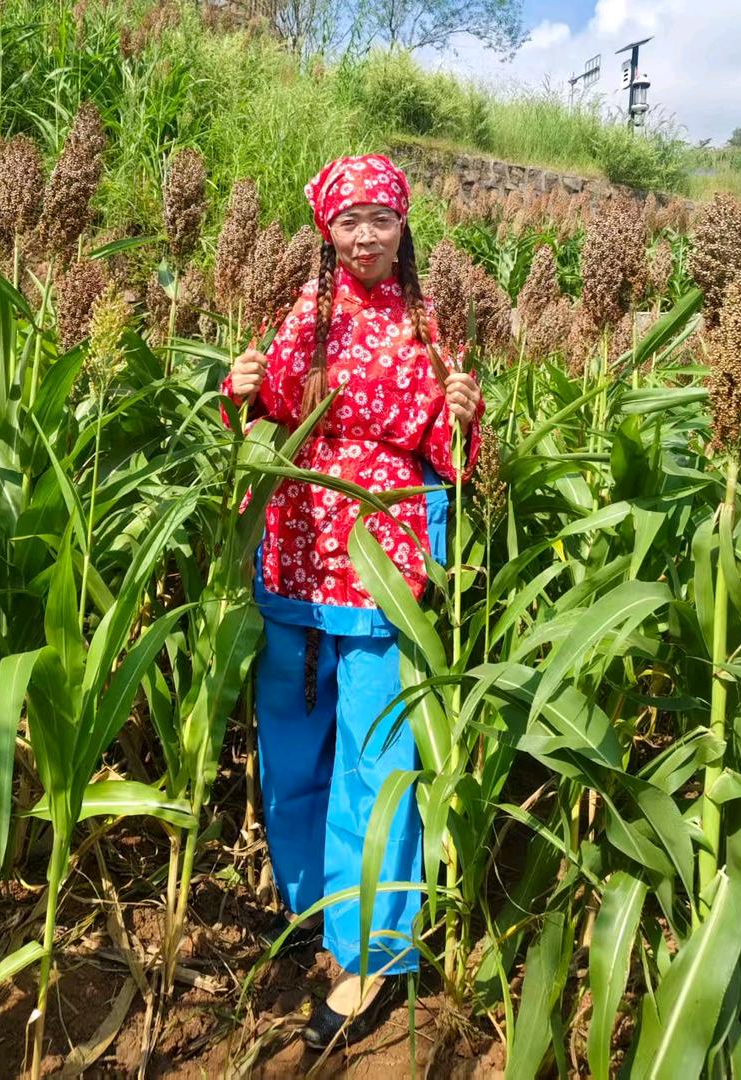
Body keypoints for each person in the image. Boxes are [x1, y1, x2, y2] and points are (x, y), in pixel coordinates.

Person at [222, 153, 483, 1049]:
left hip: (382, 557)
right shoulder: (300, 310)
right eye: (348, 220)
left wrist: (461, 414)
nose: (365, 236)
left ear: (404, 225)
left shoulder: (427, 323)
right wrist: (240, 391)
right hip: (297, 548)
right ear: (325, 229)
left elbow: (448, 454)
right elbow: (263, 417)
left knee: (376, 752)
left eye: (381, 218)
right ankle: (308, 910)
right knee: (293, 742)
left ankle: (370, 951)